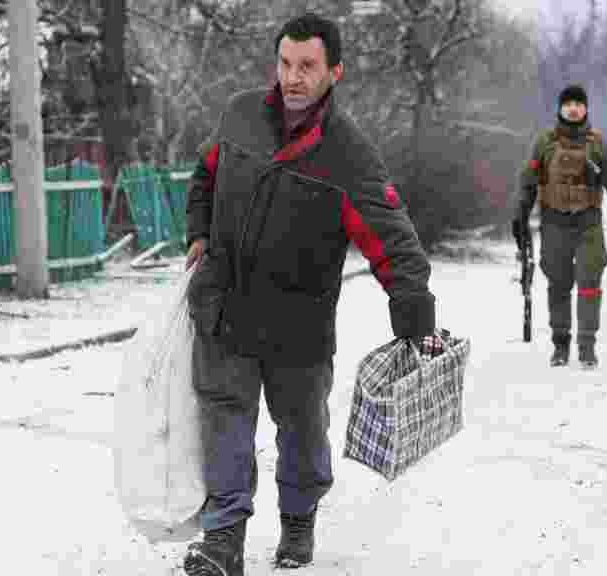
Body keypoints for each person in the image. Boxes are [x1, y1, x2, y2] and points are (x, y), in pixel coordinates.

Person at [181, 12, 438, 576]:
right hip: (223, 306)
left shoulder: (347, 153)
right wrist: (199, 231)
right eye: (285, 64)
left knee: (301, 428)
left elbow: (388, 233)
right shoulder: (240, 114)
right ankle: (223, 539)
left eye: (307, 66)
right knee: (225, 422)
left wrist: (414, 307)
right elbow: (205, 174)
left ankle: (298, 520)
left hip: (298, 324)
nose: (293, 77)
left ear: (334, 71)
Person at [512, 84, 607, 369]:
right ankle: (560, 343)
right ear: (559, 108)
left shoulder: (599, 144)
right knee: (558, 284)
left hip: (588, 223)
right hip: (554, 222)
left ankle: (587, 345)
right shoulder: (544, 143)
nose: (573, 108)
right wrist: (519, 216)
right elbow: (528, 182)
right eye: (567, 103)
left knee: (590, 283)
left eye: (578, 103)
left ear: (586, 108)